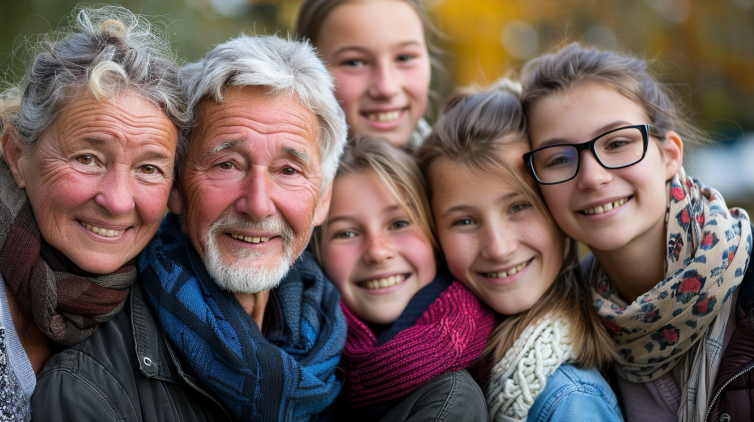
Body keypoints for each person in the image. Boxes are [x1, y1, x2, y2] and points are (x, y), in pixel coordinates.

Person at [31, 34, 349, 422]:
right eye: (227, 164)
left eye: (288, 170)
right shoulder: (91, 385)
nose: (258, 204)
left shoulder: (353, 359)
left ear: (324, 199)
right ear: (176, 186)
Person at [0, 5, 188, 421]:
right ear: (16, 156)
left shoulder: (132, 301)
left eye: (148, 169)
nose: (119, 201)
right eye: (87, 158)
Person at [520, 42, 753, 422]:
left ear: (669, 155)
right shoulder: (558, 336)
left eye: (617, 143)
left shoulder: (749, 282)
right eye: (559, 158)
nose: (593, 177)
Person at [417, 81, 624, 421]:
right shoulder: (453, 357)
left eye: (518, 207)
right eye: (465, 221)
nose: (498, 248)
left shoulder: (568, 401)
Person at [314, 135, 496, 421]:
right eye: (346, 233)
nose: (377, 252)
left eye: (399, 223)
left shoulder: (452, 399)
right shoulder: (287, 351)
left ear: (435, 240)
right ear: (317, 253)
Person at [296, 0, 434, 149]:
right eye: (354, 62)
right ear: (304, 70)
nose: (387, 88)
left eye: (405, 58)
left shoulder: (470, 171)